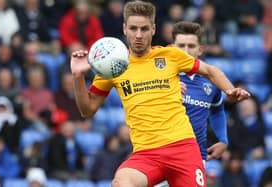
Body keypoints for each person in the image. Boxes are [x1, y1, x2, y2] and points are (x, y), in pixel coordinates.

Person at [70, 1, 250, 187]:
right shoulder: (113, 66)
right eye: (133, 28)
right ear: (124, 28)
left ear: (153, 29)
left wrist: (229, 89)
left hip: (183, 148)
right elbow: (87, 110)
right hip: (146, 154)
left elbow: (210, 70)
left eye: (144, 29)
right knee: (122, 183)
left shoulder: (170, 55)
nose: (138, 35)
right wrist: (77, 76)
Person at [155, 20, 229, 187]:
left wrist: (223, 140)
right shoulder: (159, 74)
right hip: (160, 154)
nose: (186, 51)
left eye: (191, 46)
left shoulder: (210, 80)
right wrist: (166, 90)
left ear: (200, 49)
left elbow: (217, 110)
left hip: (196, 157)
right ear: (171, 47)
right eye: (181, 46)